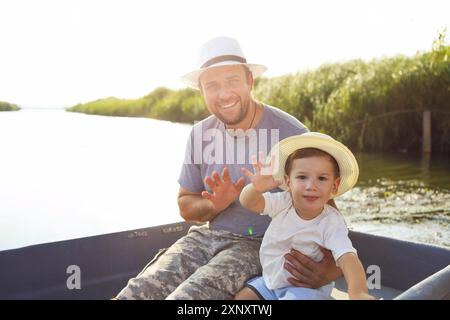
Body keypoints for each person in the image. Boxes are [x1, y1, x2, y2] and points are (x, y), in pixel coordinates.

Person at [115, 36, 342, 300]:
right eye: (212, 85)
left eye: (232, 81)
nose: (223, 94)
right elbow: (186, 206)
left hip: (261, 245)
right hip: (205, 237)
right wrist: (215, 204)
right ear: (201, 90)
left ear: (249, 81)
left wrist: (331, 268)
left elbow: (328, 209)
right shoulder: (199, 134)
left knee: (185, 300)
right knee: (135, 293)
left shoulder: (290, 134)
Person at [235, 132, 375, 300]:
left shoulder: (331, 221)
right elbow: (248, 202)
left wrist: (358, 292)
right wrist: (256, 188)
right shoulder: (283, 202)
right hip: (271, 282)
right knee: (242, 298)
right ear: (288, 182)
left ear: (334, 186)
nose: (311, 186)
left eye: (322, 178)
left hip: (305, 291)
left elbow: (348, 258)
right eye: (302, 177)